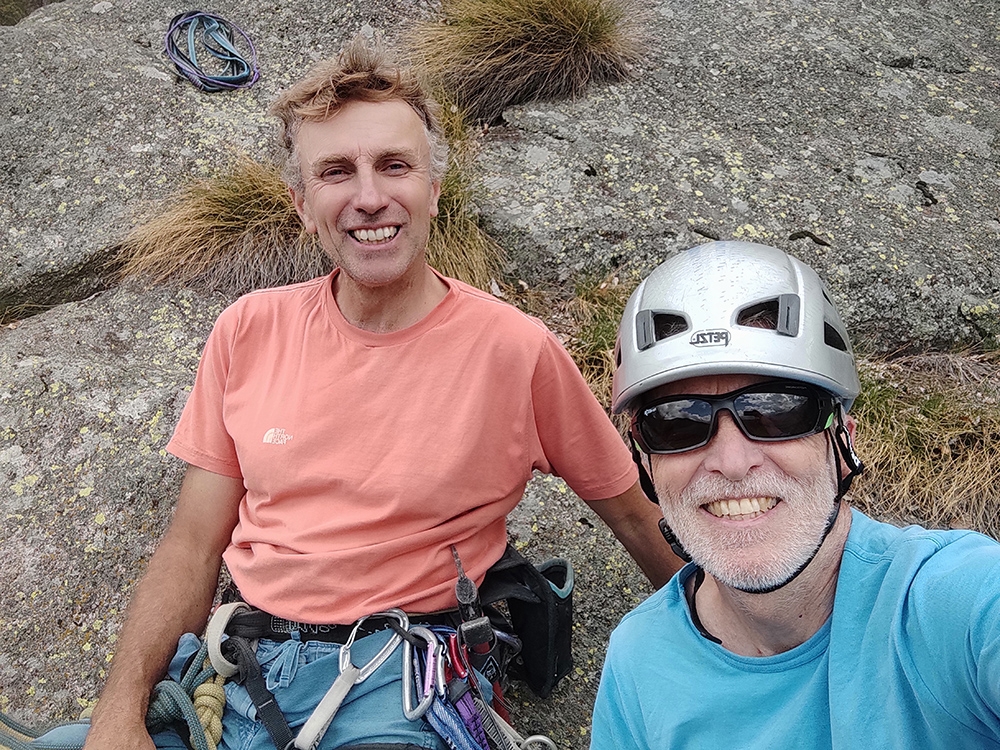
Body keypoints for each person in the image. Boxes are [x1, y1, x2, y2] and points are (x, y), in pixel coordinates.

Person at [79, 37, 680, 750]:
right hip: (243, 669)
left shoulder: (514, 350)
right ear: (302, 204)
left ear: (432, 189)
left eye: (395, 166)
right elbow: (191, 544)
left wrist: (741, 650)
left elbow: (638, 520)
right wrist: (119, 714)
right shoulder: (248, 331)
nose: (369, 197)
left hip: (403, 679)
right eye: (336, 172)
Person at [591, 240, 1000, 749]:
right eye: (677, 423)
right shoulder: (640, 661)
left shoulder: (955, 605)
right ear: (645, 462)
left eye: (777, 412)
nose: (733, 463)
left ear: (842, 437)